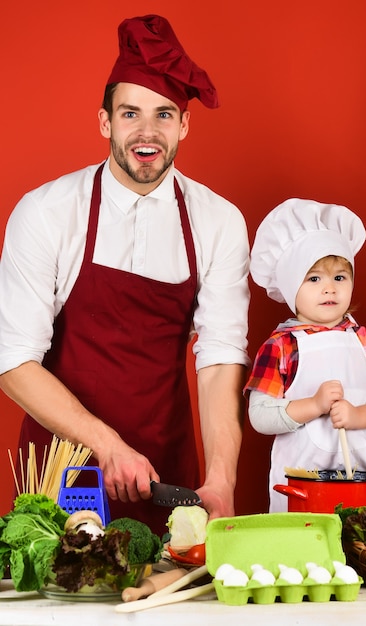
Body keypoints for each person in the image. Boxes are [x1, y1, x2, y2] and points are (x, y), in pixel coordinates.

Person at [0, 15, 250, 533]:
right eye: (130, 112)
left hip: (167, 474)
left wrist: (222, 478)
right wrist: (107, 446)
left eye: (163, 115)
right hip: (61, 475)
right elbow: (12, 361)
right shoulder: (46, 212)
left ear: (184, 125)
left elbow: (220, 357)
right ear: (104, 122)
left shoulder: (218, 221)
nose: (147, 132)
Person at [245, 199, 366, 511]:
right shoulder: (280, 346)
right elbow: (260, 416)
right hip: (303, 488)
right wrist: (314, 405)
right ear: (292, 286)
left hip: (365, 482)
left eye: (340, 277)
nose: (329, 289)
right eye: (314, 278)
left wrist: (360, 416)